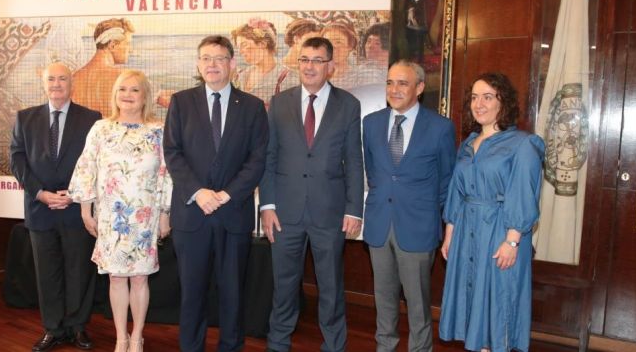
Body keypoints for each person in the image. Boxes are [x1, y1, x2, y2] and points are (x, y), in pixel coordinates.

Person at [163, 35, 269, 352]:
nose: (212, 64)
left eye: (219, 58)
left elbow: (258, 158)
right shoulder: (181, 102)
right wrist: (199, 192)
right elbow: (172, 153)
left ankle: (231, 346)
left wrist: (224, 195)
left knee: (233, 292)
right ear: (198, 64)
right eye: (206, 58)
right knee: (192, 292)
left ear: (232, 64)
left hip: (233, 213)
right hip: (192, 215)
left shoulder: (252, 107)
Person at [260, 37, 364, 352]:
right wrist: (267, 205)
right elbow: (269, 157)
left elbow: (354, 161)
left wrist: (354, 209)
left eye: (317, 60)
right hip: (285, 213)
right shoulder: (279, 103)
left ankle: (334, 344)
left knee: (331, 285)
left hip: (329, 212)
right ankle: (278, 342)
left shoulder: (348, 104)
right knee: (284, 285)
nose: (309, 66)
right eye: (305, 59)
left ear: (330, 66)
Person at [439, 73, 544, 352]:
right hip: (467, 233)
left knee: (498, 303)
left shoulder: (523, 144)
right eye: (474, 97)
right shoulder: (467, 144)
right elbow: (456, 193)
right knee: (474, 304)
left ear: (503, 102)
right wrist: (449, 234)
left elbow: (523, 194)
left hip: (500, 232)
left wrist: (512, 240)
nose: (479, 103)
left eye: (488, 97)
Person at [68, 69, 172, 352]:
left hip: (145, 217)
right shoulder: (101, 128)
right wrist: (85, 210)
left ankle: (137, 336)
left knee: (139, 277)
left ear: (145, 96)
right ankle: (120, 337)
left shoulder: (159, 131)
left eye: (134, 90)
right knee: (116, 277)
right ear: (115, 94)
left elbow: (167, 174)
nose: (127, 95)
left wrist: (165, 214)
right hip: (111, 218)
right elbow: (87, 167)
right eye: (122, 89)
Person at [362, 60, 456, 352]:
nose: (394, 89)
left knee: (417, 304)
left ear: (420, 88)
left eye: (403, 83)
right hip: (379, 224)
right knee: (384, 299)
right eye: (390, 82)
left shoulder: (440, 128)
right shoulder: (371, 123)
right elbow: (373, 171)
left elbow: (447, 182)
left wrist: (448, 227)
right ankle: (385, 347)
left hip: (418, 228)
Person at [10, 61, 102, 352]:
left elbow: (97, 161)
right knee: (47, 273)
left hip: (77, 209)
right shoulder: (25, 118)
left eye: (63, 79)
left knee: (78, 271)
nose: (57, 84)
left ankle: (77, 327)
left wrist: (76, 193)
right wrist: (40, 193)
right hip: (40, 209)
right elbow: (17, 159)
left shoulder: (91, 119)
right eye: (51, 79)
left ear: (71, 84)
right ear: (43, 82)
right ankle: (53, 328)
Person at [73, 18, 135, 117]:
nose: (130, 50)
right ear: (112, 45)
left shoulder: (74, 78)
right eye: (127, 44)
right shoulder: (123, 77)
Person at [232, 17, 298, 106]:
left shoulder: (287, 78)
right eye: (239, 47)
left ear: (262, 44)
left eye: (244, 45)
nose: (240, 52)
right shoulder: (240, 76)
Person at [323, 20, 385, 90]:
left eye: (338, 42)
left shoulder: (362, 76)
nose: (332, 47)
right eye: (327, 42)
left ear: (350, 46)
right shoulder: (317, 77)